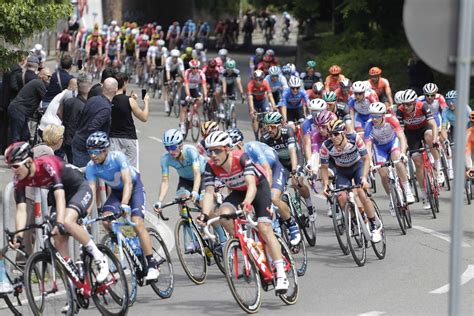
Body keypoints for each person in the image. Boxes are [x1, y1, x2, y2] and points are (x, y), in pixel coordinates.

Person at [4, 142, 110, 291]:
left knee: (66, 222)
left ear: (28, 162)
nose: (13, 171)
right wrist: (19, 236)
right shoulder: (19, 179)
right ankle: (75, 286)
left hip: (79, 189)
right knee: (58, 238)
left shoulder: (47, 165)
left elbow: (60, 195)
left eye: (15, 166)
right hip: (61, 196)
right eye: (10, 167)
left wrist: (60, 222)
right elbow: (21, 209)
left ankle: (99, 257)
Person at [196, 131, 289, 293]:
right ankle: (245, 243)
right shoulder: (211, 165)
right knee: (223, 214)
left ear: (227, 149)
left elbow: (252, 185)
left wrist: (247, 203)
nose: (213, 155)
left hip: (259, 189)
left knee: (264, 228)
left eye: (217, 150)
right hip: (238, 192)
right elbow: (209, 193)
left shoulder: (241, 158)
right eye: (210, 151)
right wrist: (204, 214)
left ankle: (281, 274)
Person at [85, 132, 159, 281]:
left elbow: (128, 182)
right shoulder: (91, 167)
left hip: (134, 187)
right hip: (117, 192)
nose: (93, 155)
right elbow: (91, 192)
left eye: (96, 151)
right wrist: (85, 214)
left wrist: (125, 204)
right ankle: (128, 242)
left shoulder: (117, 157)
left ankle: (152, 264)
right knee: (106, 221)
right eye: (90, 151)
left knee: (137, 224)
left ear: (105, 150)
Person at [227, 128, 302, 245]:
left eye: (232, 147)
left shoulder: (252, 148)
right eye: (227, 148)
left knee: (273, 198)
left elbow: (267, 170)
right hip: (256, 175)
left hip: (273, 167)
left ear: (240, 144)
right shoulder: (232, 158)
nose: (229, 152)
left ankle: (291, 224)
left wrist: (265, 195)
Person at [320, 120, 382, 243]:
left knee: (361, 193)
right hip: (342, 171)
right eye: (330, 134)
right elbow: (324, 168)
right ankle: (355, 221)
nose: (333, 137)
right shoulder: (326, 146)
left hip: (357, 167)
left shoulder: (354, 138)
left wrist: (364, 177)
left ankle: (374, 226)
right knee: (341, 197)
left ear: (343, 133)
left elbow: (366, 159)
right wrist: (326, 185)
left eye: (336, 134)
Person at [260, 112, 315, 218]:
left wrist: (294, 170)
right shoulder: (265, 139)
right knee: (277, 190)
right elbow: (267, 161)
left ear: (280, 126)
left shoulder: (287, 131)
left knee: (297, 183)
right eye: (267, 127)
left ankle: (310, 206)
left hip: (295, 158)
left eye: (272, 127)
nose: (269, 130)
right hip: (281, 164)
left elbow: (292, 152)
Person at [364, 102, 415, 212]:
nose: (374, 119)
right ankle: (392, 199)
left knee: (397, 160)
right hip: (380, 148)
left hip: (392, 144)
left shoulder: (391, 119)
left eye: (377, 116)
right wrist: (369, 162)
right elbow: (368, 146)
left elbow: (401, 137)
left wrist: (403, 153)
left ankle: (407, 190)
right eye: (372, 116)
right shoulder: (368, 125)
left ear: (383, 115)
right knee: (383, 174)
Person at [396, 89, 442, 209]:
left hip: (424, 128)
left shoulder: (423, 106)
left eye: (408, 104)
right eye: (403, 104)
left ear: (414, 103)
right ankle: (424, 195)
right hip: (411, 134)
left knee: (429, 137)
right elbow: (401, 133)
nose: (405, 107)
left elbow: (433, 124)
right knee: (417, 163)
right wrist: (403, 149)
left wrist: (435, 139)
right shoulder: (400, 111)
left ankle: (438, 167)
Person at [72, 77, 118, 167]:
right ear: (115, 90)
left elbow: (80, 118)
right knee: (85, 177)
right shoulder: (106, 109)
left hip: (78, 140)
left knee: (78, 175)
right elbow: (93, 127)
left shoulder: (92, 99)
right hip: (86, 148)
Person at [109, 73, 149, 169]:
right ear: (125, 83)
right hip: (129, 138)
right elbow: (144, 117)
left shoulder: (108, 99)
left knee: (114, 170)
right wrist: (146, 102)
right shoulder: (129, 101)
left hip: (112, 138)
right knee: (131, 171)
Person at [8, 68, 52, 144]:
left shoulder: (37, 83)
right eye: (48, 76)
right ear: (41, 75)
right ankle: (13, 153)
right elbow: (46, 98)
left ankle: (22, 153)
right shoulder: (38, 83)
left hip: (20, 111)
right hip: (19, 111)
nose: (50, 78)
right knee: (16, 136)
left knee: (25, 135)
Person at [63, 73, 91, 163]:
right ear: (89, 86)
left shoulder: (68, 102)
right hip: (78, 143)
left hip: (66, 139)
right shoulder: (85, 107)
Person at [180, 59, 207, 134]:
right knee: (184, 108)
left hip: (194, 89)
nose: (195, 70)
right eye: (193, 68)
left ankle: (194, 113)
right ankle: (182, 125)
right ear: (190, 68)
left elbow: (204, 85)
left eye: (197, 68)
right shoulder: (187, 72)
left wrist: (206, 96)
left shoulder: (201, 73)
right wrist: (188, 96)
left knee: (200, 100)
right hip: (186, 89)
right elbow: (186, 85)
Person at [247, 70, 276, 139]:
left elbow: (270, 95)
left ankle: (268, 132)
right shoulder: (250, 85)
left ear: (263, 79)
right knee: (254, 117)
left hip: (263, 101)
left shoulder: (265, 83)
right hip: (254, 102)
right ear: (253, 79)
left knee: (268, 115)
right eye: (256, 79)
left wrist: (274, 106)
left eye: (260, 79)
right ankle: (256, 136)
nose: (258, 81)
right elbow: (250, 98)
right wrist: (252, 109)